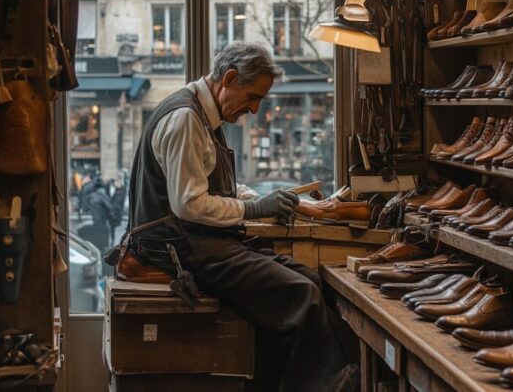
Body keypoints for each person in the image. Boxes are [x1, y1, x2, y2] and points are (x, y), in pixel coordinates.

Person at [123, 42, 358, 391]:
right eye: (252, 97)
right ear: (229, 79)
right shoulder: (186, 118)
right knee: (301, 296)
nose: (254, 109)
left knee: (311, 280)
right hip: (176, 246)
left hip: (197, 239)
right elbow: (189, 204)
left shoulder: (205, 114)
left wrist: (271, 199)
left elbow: (216, 187)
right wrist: (254, 208)